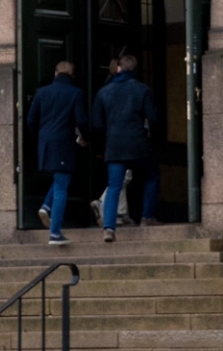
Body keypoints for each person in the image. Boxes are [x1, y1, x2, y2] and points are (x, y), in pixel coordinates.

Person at [95, 52, 159, 242]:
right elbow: (153, 119)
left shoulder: (103, 92)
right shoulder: (143, 90)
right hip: (138, 143)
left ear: (119, 69)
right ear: (135, 70)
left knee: (114, 185)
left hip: (114, 146)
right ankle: (147, 217)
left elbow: (97, 124)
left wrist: (102, 146)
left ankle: (109, 227)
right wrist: (150, 136)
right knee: (152, 175)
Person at [28, 59, 86, 245]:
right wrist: (85, 138)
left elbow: (31, 119)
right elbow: (82, 121)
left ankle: (46, 205)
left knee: (61, 179)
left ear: (55, 73)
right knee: (62, 186)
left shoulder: (41, 92)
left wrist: (41, 136)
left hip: (45, 143)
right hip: (64, 144)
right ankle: (55, 233)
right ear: (72, 76)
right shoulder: (75, 93)